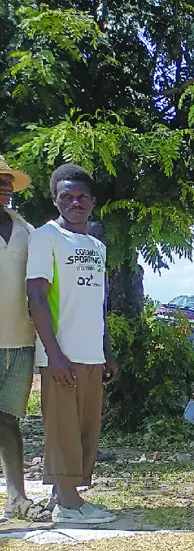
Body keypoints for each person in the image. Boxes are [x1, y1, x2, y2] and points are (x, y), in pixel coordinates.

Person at [26, 164, 118, 525]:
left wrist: (107, 352)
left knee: (84, 429)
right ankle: (69, 505)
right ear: (55, 199)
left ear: (93, 203)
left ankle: (64, 494)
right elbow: (36, 297)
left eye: (82, 197)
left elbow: (99, 304)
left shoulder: (96, 245)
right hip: (60, 356)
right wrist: (54, 355)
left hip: (91, 353)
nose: (75, 202)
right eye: (67, 196)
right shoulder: (45, 238)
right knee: (62, 428)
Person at [0, 157, 46, 522]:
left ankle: (17, 498)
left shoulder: (27, 231)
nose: (4, 188)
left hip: (19, 342)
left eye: (8, 183)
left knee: (9, 420)